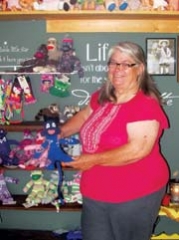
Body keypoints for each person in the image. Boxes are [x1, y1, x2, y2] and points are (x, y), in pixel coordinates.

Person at [61, 41, 170, 240]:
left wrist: (91, 160)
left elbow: (137, 150)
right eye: (113, 63)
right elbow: (85, 116)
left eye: (127, 64)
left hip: (135, 193)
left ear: (140, 69)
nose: (118, 69)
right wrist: (60, 132)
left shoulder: (145, 104)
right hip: (95, 192)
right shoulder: (103, 96)